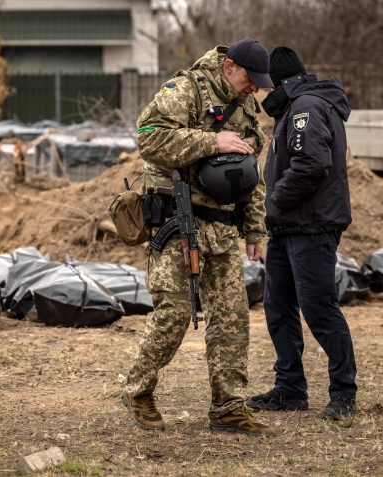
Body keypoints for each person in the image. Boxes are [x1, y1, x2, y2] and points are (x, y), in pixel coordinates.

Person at [121, 39, 276, 437]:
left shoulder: (245, 108)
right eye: (249, 79)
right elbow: (149, 137)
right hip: (177, 223)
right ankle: (139, 390)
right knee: (172, 313)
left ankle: (228, 407)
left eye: (259, 83)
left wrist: (255, 228)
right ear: (228, 67)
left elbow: (251, 174)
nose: (253, 89)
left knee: (231, 321)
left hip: (223, 227)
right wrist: (212, 141)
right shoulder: (185, 90)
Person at [246, 46, 358, 419]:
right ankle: (289, 388)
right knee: (278, 306)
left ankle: (343, 394)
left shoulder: (305, 108)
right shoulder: (296, 107)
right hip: (288, 227)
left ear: (278, 83)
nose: (262, 94)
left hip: (311, 226)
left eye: (265, 87)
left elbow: (312, 164)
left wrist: (274, 201)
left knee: (319, 309)